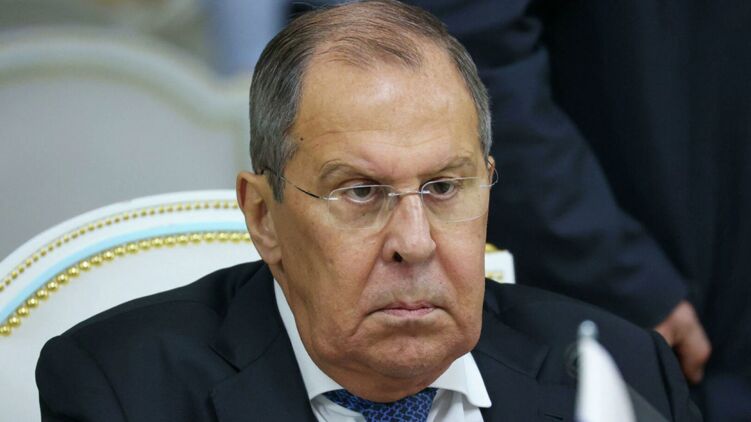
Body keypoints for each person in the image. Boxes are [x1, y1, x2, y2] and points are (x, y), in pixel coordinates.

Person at [36, 1, 700, 421]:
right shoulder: (121, 389)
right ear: (263, 216)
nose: (415, 242)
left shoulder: (621, 371)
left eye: (444, 187)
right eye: (360, 192)